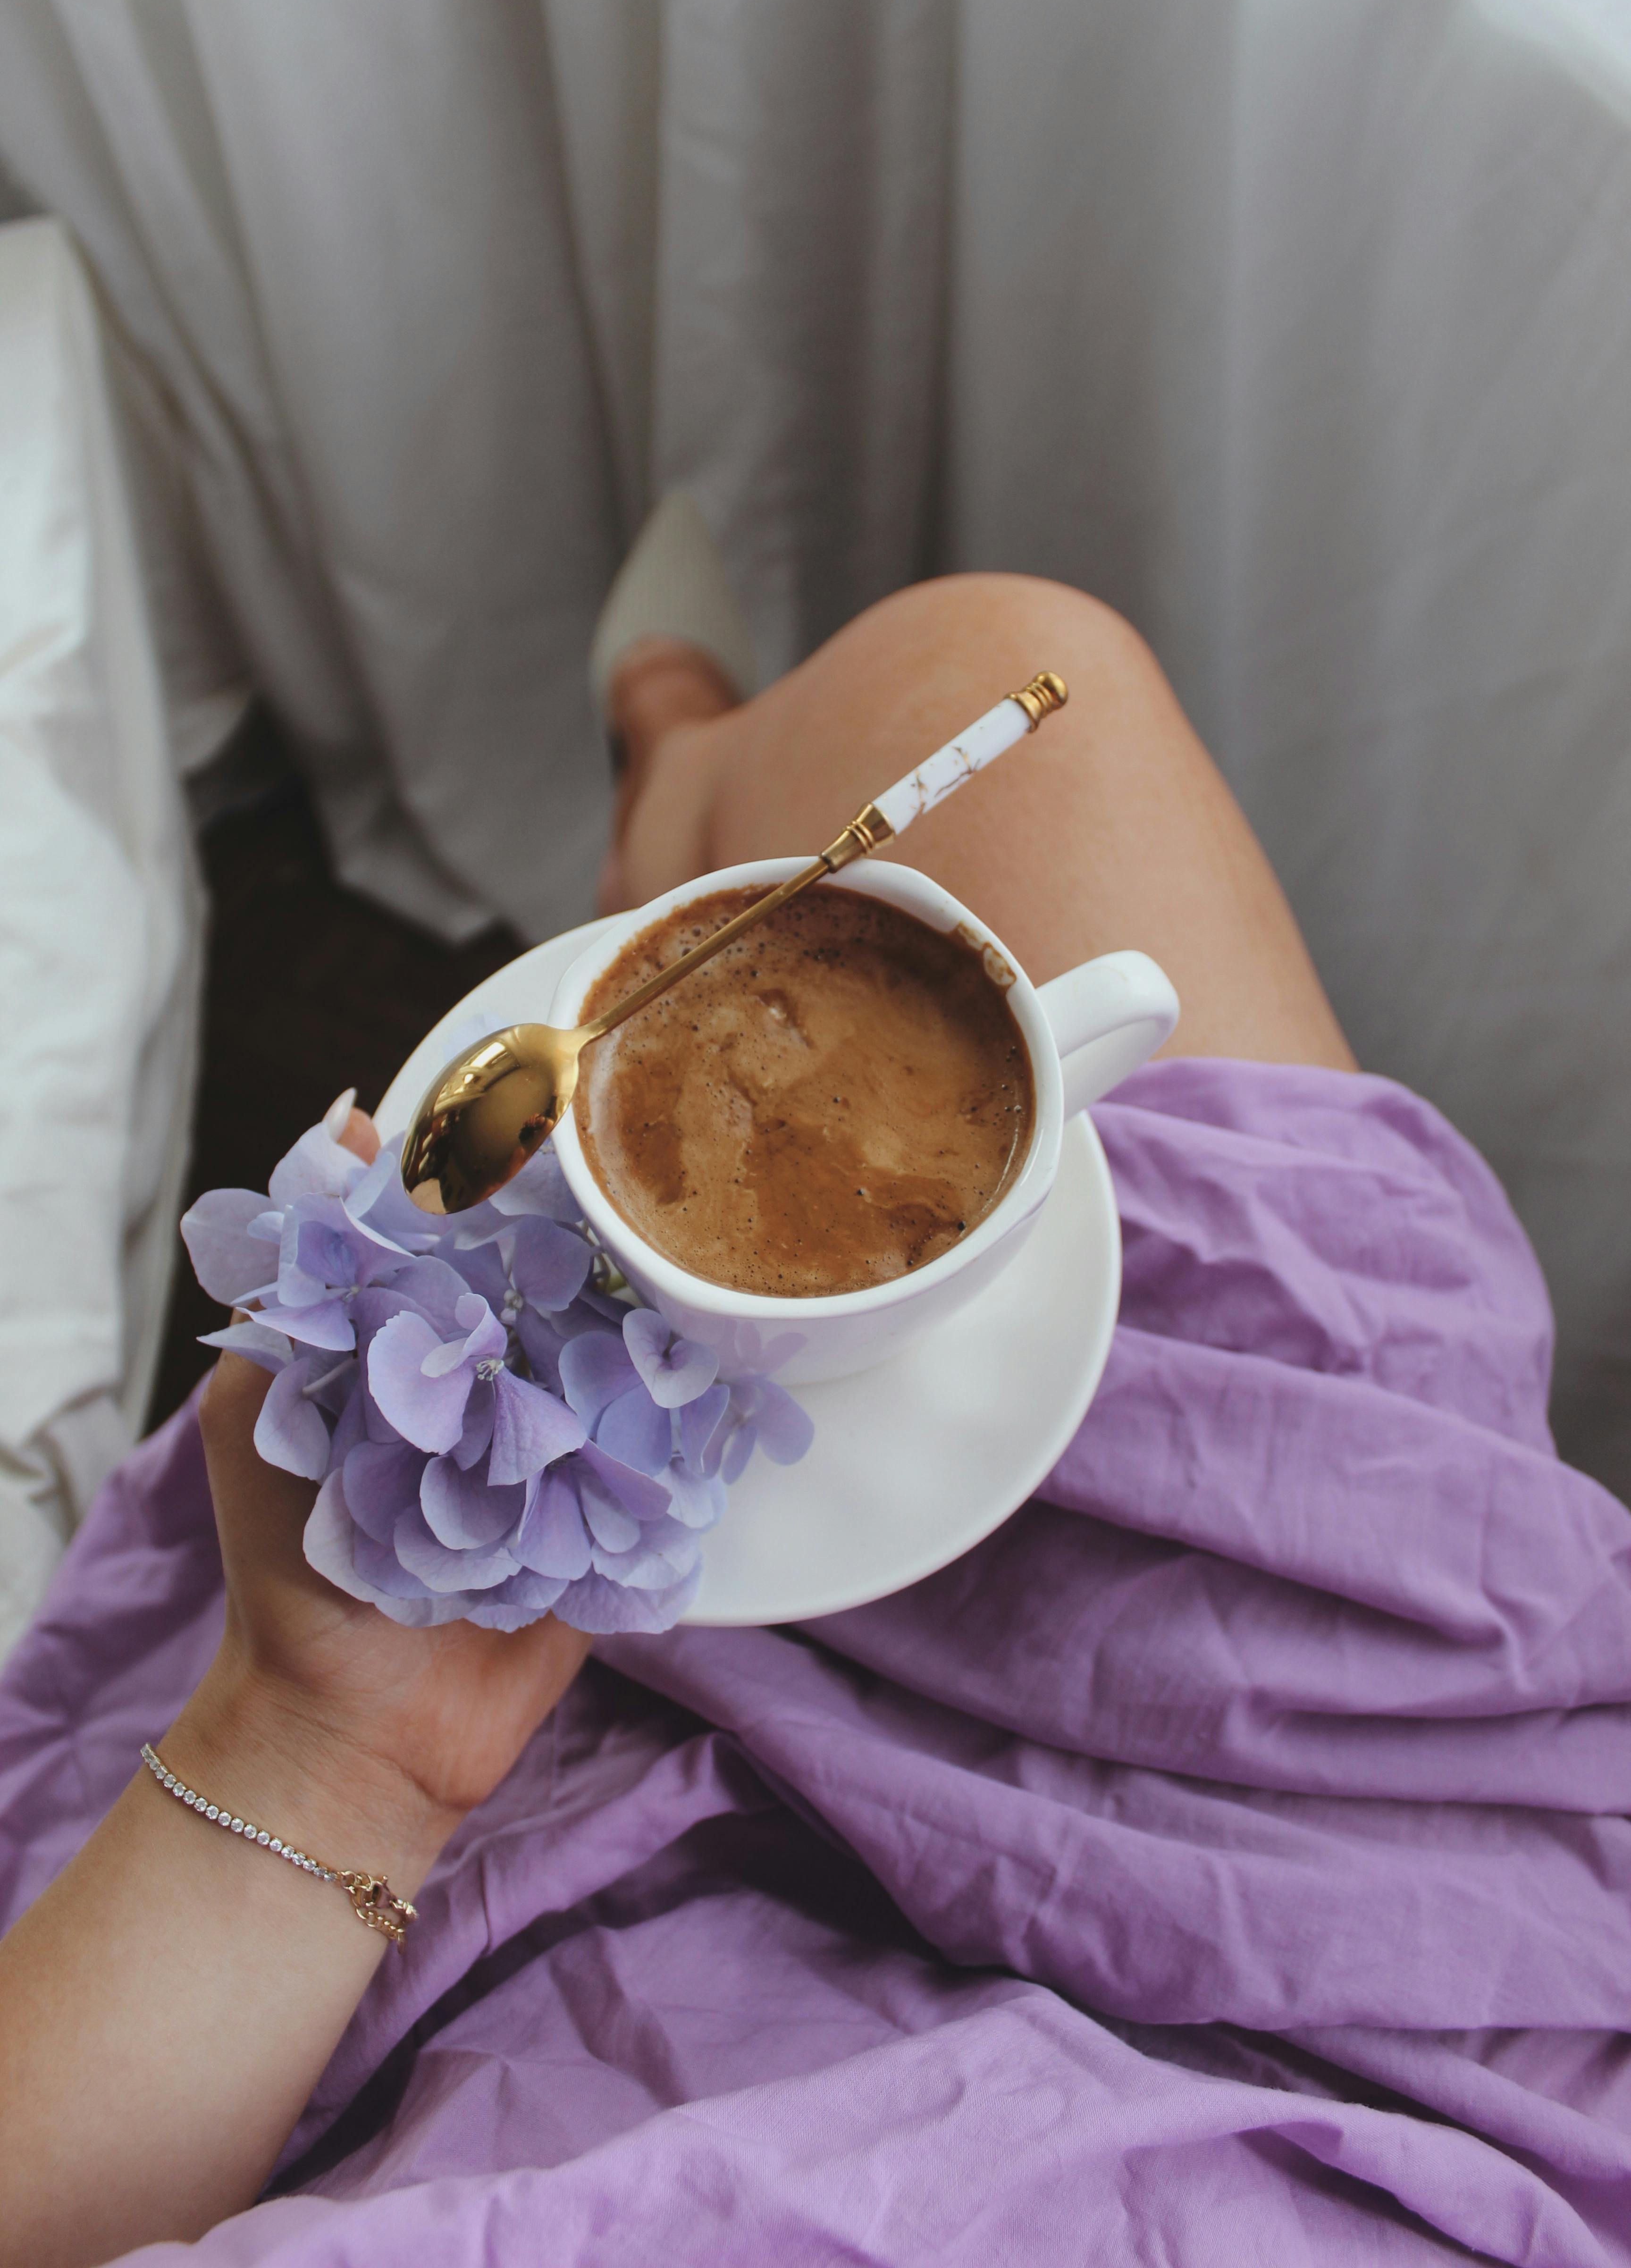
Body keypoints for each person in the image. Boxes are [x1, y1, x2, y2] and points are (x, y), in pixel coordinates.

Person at [2, 570, 1628, 2268]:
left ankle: (667, 756)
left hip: (591, 1896)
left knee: (999, 681)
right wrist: (351, 1752)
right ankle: (672, 746)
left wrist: (324, 1751)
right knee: (1009, 666)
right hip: (1414, 1988)